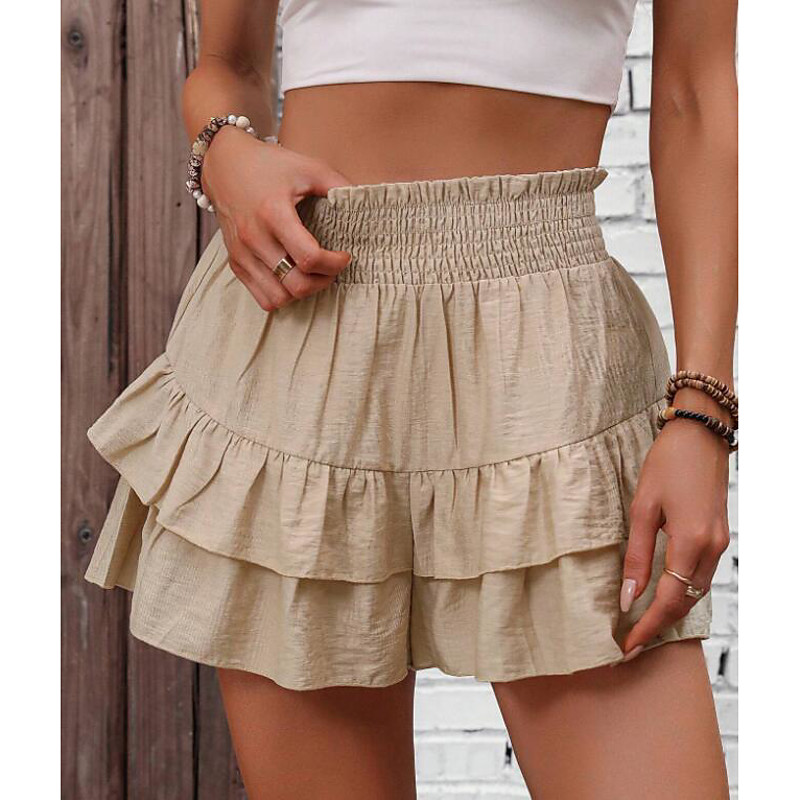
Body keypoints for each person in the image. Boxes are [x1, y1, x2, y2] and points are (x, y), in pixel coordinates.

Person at [84, 1, 737, 797]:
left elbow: (696, 96)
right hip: (305, 332)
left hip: (555, 351)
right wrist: (224, 150)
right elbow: (228, 70)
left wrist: (704, 412)